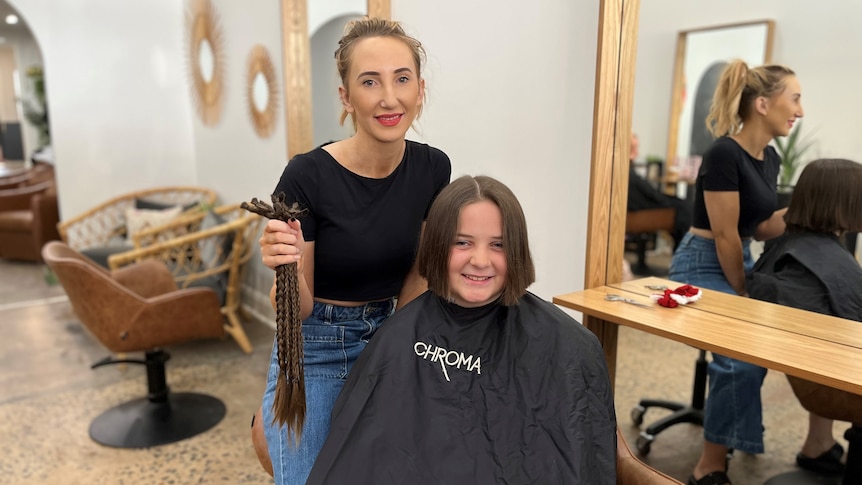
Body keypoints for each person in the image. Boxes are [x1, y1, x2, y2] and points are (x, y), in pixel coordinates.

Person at [304, 175, 617, 484]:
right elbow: (362, 458)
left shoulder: (567, 345)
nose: (480, 260)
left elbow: (578, 461)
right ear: (438, 246)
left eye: (498, 245)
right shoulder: (399, 335)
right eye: (463, 242)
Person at [252, 17, 451, 485]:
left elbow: (420, 273)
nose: (389, 97)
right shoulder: (307, 176)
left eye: (402, 78)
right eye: (369, 81)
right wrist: (284, 265)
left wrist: (400, 349)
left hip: (393, 331)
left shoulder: (433, 168)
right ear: (346, 97)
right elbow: (294, 311)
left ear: (419, 89)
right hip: (316, 346)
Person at [666, 60, 804, 485]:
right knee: (738, 359)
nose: (800, 110)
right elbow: (725, 234)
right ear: (762, 103)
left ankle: (730, 436)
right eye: (795, 98)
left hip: (736, 257)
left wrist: (804, 210)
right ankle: (708, 466)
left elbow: (758, 226)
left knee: (758, 350)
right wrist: (744, 289)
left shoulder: (770, 156)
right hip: (701, 261)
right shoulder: (724, 153)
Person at [747, 158, 862, 477]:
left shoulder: (797, 246)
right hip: (834, 381)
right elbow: (833, 333)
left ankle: (818, 444)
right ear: (841, 203)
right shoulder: (809, 264)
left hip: (827, 370)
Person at [627, 133, 692, 250]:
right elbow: (651, 195)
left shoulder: (630, 172)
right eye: (635, 148)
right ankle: (683, 247)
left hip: (648, 202)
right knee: (685, 207)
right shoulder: (628, 173)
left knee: (684, 204)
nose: (638, 152)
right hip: (643, 207)